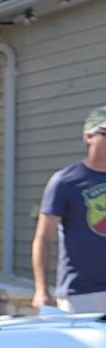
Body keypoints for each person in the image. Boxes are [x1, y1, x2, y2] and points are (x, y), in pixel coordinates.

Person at [32, 106, 106, 313]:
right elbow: (43, 238)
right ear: (88, 136)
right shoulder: (65, 181)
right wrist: (41, 290)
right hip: (81, 294)